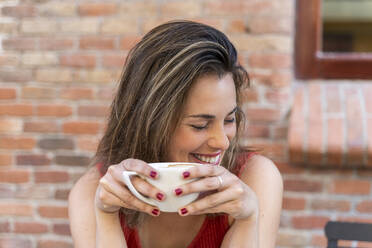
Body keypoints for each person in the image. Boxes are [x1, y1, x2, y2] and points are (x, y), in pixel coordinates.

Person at [68, 20, 283, 248]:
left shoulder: (253, 179)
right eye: (200, 125)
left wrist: (248, 220)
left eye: (229, 119)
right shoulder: (92, 192)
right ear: (151, 122)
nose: (222, 142)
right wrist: (106, 217)